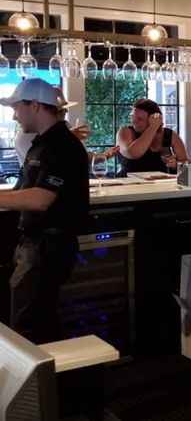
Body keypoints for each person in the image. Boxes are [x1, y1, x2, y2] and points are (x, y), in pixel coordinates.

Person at [0, 78, 89, 343]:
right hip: (37, 244)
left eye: (17, 107)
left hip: (48, 246)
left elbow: (40, 199)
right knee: (38, 320)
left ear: (35, 106)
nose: (14, 115)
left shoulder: (60, 145)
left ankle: (41, 384)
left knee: (29, 328)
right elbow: (25, 189)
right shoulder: (43, 143)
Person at [116, 98, 189, 175]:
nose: (134, 121)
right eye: (132, 117)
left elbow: (185, 163)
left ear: (154, 119)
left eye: (140, 119)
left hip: (161, 185)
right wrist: (153, 127)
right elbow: (133, 153)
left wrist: (176, 165)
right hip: (129, 184)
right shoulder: (124, 132)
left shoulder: (169, 135)